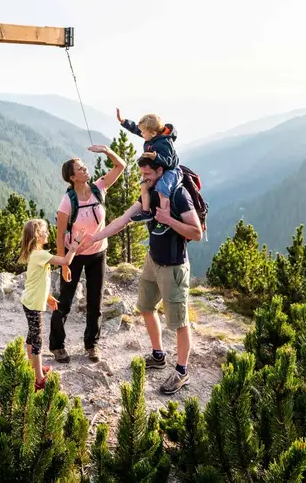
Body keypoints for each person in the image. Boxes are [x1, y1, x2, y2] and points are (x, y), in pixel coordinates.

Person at [81, 154, 203, 394]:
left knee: (179, 321)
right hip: (153, 261)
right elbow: (123, 219)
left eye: (147, 174)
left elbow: (196, 232)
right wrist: (95, 238)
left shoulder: (178, 194)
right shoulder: (150, 192)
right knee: (146, 307)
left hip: (174, 265)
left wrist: (168, 219)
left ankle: (182, 371)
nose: (144, 179)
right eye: (142, 174)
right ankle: (158, 355)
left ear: (160, 170)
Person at [49, 145, 127, 363]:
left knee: (96, 302)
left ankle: (92, 344)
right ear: (73, 177)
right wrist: (63, 263)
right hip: (73, 256)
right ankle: (57, 346)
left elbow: (121, 166)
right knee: (64, 302)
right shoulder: (67, 201)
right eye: (80, 169)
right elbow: (59, 235)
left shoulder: (99, 188)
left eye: (84, 167)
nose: (85, 170)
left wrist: (107, 151)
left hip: (98, 253)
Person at [19, 218, 82, 390]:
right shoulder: (41, 255)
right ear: (37, 235)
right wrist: (76, 243)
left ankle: (33, 368)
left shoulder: (35, 253)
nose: (48, 233)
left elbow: (38, 281)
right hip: (33, 304)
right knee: (37, 340)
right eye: (45, 231)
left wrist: (48, 298)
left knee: (32, 336)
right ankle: (39, 379)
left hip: (30, 301)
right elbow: (66, 261)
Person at [117, 109, 180, 223]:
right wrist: (123, 121)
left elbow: (170, 162)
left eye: (143, 132)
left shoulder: (164, 143)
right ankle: (146, 213)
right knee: (143, 186)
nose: (141, 134)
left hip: (170, 170)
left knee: (162, 188)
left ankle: (165, 219)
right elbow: (136, 129)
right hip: (157, 169)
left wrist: (156, 158)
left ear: (153, 133)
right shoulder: (152, 136)